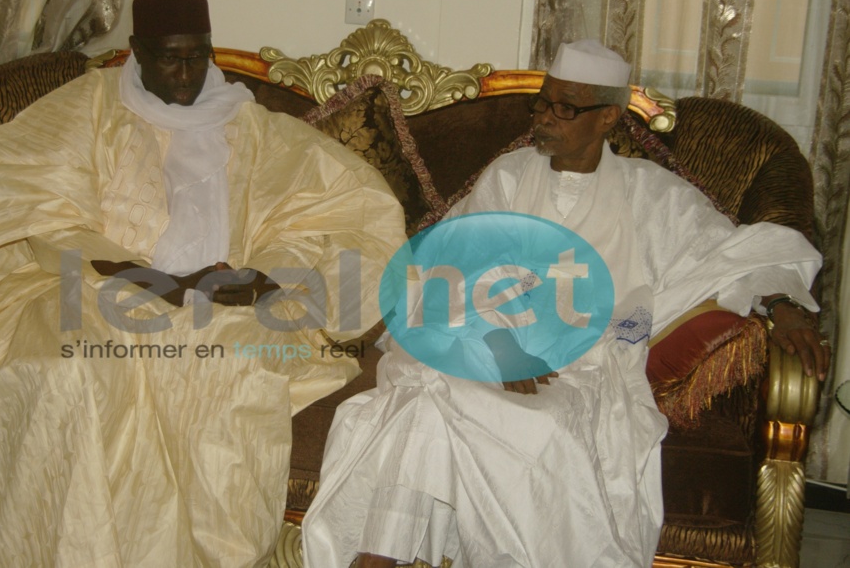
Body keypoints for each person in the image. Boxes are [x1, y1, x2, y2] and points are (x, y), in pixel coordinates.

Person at [0, 0, 406, 567]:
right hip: (90, 284)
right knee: (66, 373)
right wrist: (132, 271)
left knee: (232, 373)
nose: (185, 73)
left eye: (197, 56)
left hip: (221, 305)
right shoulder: (88, 106)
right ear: (135, 50)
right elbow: (20, 191)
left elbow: (347, 206)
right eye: (169, 58)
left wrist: (261, 276)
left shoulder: (254, 127)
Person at [300, 39, 830, 568]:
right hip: (484, 347)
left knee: (467, 410)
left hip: (582, 369)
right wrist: (497, 336)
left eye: (566, 108)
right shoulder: (507, 179)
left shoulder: (653, 196)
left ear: (609, 118)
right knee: (430, 388)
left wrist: (784, 305)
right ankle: (377, 561)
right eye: (543, 102)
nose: (545, 119)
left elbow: (740, 251)